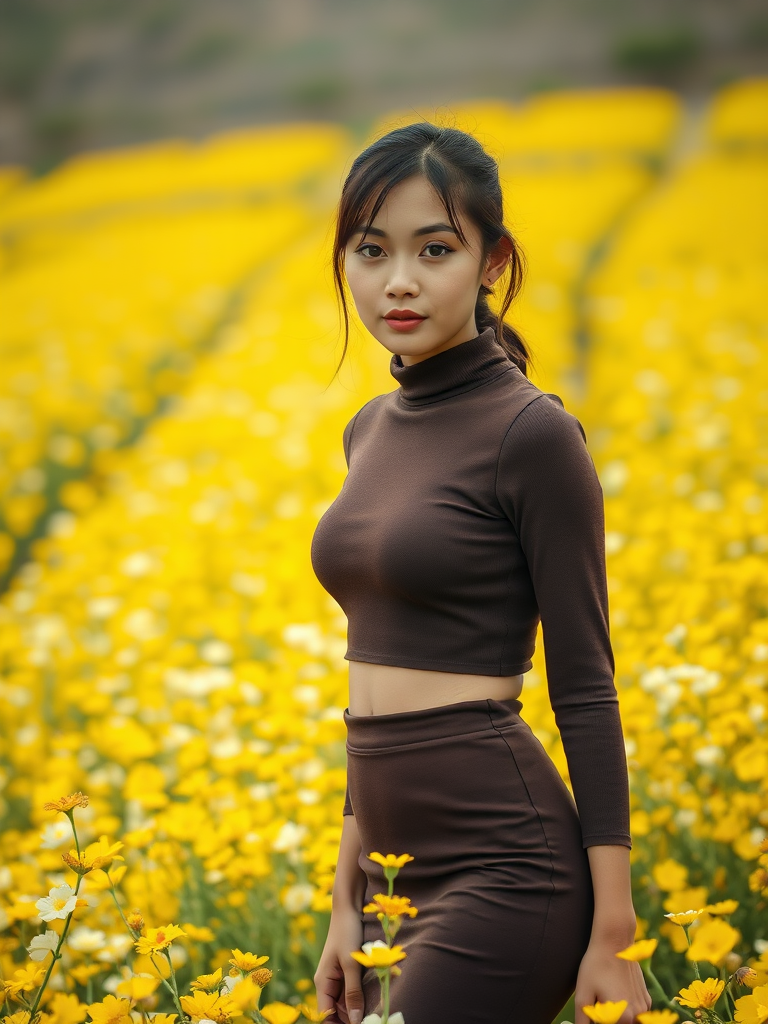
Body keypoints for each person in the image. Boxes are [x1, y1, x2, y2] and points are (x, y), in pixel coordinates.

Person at [310, 123, 652, 1024]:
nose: (400, 281)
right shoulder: (368, 429)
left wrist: (613, 933)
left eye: (436, 249)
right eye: (371, 250)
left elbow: (586, 687)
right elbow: (368, 682)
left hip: (508, 869)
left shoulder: (533, 434)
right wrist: (344, 903)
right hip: (390, 881)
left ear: (493, 260)